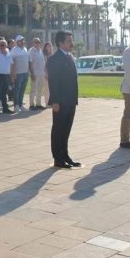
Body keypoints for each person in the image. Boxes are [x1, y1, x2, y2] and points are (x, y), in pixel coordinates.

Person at [46, 31, 80, 169]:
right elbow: (53, 82)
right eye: (68, 41)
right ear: (60, 43)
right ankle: (58, 159)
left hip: (70, 100)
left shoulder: (69, 56)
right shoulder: (54, 59)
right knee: (58, 130)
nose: (71, 43)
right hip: (60, 101)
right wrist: (54, 101)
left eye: (71, 40)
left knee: (66, 130)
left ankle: (65, 155)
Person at [0, 40, 14, 114]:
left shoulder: (8, 54)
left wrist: (11, 76)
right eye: (0, 45)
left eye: (3, 45)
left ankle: (5, 108)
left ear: (6, 46)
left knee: (4, 93)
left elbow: (11, 65)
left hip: (7, 75)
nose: (1, 46)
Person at [11, 35, 30, 112]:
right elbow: (12, 63)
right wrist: (13, 73)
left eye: (23, 40)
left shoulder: (25, 49)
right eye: (21, 40)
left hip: (25, 72)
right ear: (17, 42)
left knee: (22, 90)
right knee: (17, 89)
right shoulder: (14, 50)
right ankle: (16, 106)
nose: (23, 42)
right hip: (18, 73)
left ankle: (20, 104)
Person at [28, 38, 47, 110]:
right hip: (35, 73)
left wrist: (45, 72)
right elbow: (30, 63)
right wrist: (32, 73)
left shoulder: (40, 50)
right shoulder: (31, 51)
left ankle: (38, 104)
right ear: (33, 43)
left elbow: (43, 62)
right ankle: (31, 105)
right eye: (36, 42)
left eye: (39, 42)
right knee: (33, 90)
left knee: (40, 89)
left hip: (41, 73)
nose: (38, 43)